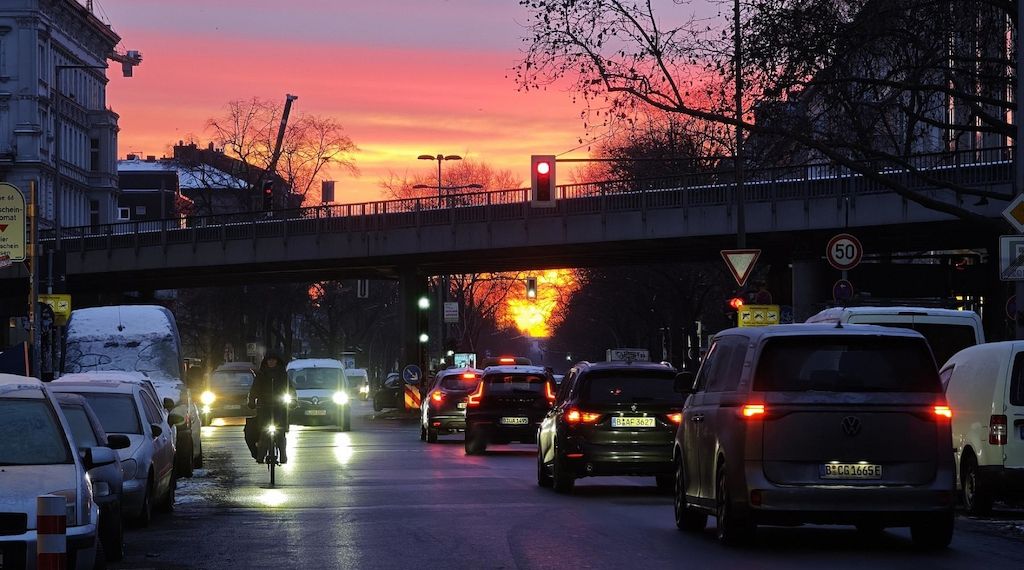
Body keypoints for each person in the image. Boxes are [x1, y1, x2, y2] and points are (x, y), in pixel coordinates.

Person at [245, 353, 297, 464]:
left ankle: (283, 453)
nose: (271, 362)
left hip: (280, 408)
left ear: (277, 362)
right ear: (266, 362)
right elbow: (254, 389)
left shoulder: (283, 375)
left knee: (281, 431)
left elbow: (290, 389)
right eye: (269, 360)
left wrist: (293, 400)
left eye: (273, 360)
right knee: (264, 431)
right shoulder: (261, 375)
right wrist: (251, 401)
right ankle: (261, 455)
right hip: (264, 407)